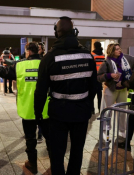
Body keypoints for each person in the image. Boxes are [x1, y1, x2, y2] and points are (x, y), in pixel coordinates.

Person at [34, 16, 97, 175]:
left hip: (58, 114)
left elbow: (41, 91)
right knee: (77, 151)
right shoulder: (88, 56)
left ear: (57, 33)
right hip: (81, 112)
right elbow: (94, 86)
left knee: (57, 153)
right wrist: (88, 106)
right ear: (74, 32)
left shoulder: (49, 58)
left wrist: (38, 114)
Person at [0, 42, 50, 174]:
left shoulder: (20, 65)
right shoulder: (46, 64)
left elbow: (5, 72)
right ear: (39, 51)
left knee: (30, 139)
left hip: (27, 108)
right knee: (50, 138)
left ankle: (32, 165)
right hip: (46, 108)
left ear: (28, 51)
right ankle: (54, 164)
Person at [97, 43, 134, 144]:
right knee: (108, 111)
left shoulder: (127, 58)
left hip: (123, 89)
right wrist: (109, 75)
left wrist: (130, 76)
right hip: (110, 89)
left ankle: (121, 132)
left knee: (122, 111)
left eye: (119, 48)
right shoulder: (106, 62)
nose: (119, 51)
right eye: (116, 49)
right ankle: (105, 132)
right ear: (111, 51)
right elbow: (98, 77)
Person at [91, 41, 105, 113]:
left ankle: (92, 110)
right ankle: (100, 109)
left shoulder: (92, 55)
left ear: (94, 46)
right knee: (99, 94)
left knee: (92, 94)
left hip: (94, 76)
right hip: (100, 76)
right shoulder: (103, 55)